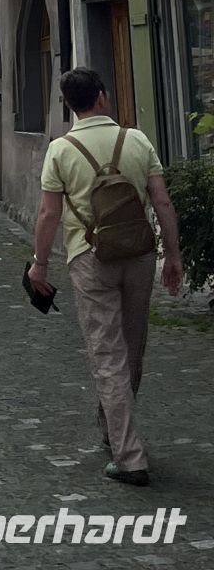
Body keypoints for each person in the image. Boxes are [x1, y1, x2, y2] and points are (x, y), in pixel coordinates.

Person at [29, 67, 182, 487]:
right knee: (131, 348)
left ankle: (129, 457)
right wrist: (173, 255)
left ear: (70, 103)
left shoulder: (61, 149)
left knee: (107, 354)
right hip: (138, 255)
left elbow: (49, 214)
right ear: (101, 96)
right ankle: (114, 427)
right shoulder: (136, 140)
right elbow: (162, 202)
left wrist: (40, 263)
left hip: (89, 256)